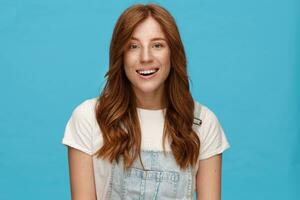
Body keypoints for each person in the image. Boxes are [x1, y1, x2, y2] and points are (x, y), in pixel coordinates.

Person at [62, 3, 230, 200]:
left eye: (157, 45)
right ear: (121, 55)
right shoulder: (90, 118)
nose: (145, 57)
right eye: (133, 46)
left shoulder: (202, 122)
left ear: (173, 53)